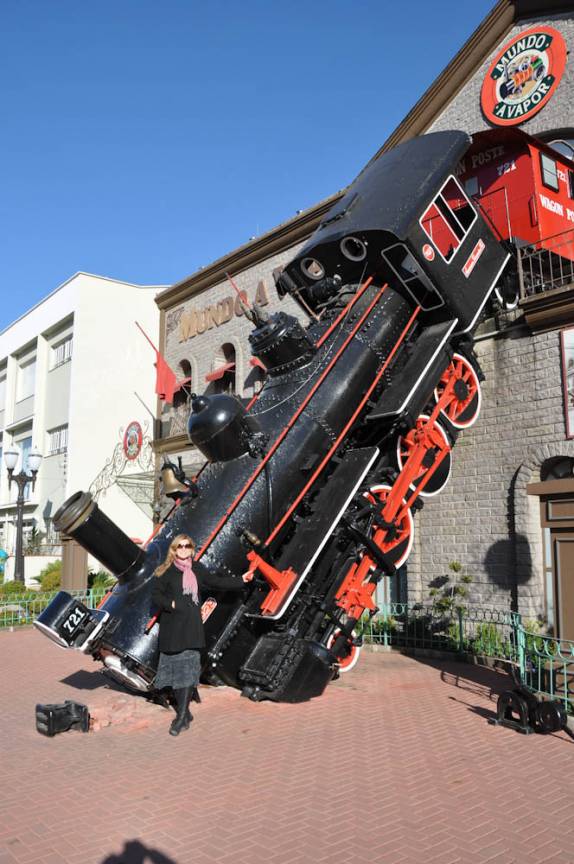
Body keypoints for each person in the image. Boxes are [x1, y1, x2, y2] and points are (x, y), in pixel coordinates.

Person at [151, 534, 252, 737]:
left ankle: (181, 717)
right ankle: (185, 712)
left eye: (188, 545)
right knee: (175, 672)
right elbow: (156, 595)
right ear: (174, 549)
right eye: (180, 546)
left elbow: (217, 582)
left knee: (188, 671)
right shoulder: (165, 571)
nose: (184, 549)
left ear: (192, 548)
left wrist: (241, 580)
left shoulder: (197, 569)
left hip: (191, 627)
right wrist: (171, 605)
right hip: (172, 627)